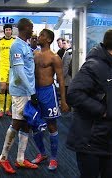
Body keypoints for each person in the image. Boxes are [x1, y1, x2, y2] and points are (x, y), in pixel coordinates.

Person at [66, 28, 112, 178]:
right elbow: (73, 94)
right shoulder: (93, 66)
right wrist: (102, 110)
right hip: (90, 140)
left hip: (107, 139)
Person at [0, 18, 38, 174]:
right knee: (16, 123)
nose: (33, 30)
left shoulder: (25, 45)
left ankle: (20, 159)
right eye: (32, 27)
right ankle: (3, 158)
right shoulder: (16, 46)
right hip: (21, 91)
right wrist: (32, 92)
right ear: (25, 28)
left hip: (28, 91)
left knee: (26, 123)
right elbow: (20, 73)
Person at [31, 29, 69, 170]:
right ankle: (42, 153)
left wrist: (63, 101)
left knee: (52, 125)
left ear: (48, 40)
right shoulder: (34, 54)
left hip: (48, 92)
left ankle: (53, 158)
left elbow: (60, 79)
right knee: (34, 125)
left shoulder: (54, 57)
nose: (38, 37)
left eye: (41, 35)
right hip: (35, 92)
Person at [0, 24, 15, 118]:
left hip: (12, 67)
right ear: (4, 31)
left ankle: (7, 109)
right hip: (2, 67)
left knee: (9, 89)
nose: (8, 31)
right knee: (2, 88)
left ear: (11, 31)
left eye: (9, 30)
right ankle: (1, 109)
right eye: (6, 30)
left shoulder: (15, 41)